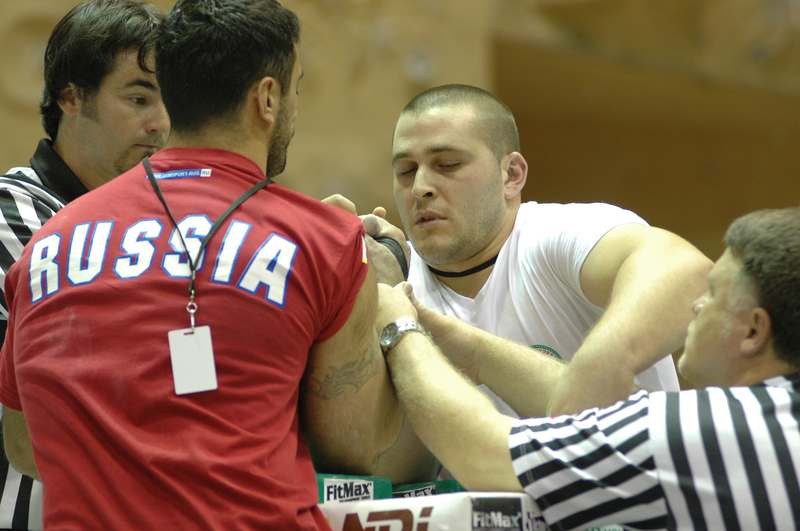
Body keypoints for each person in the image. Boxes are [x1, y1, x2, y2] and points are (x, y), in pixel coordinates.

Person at [0, 1, 432, 529]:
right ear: (268, 98)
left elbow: (28, 443)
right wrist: (387, 311)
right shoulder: (319, 240)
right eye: (295, 87)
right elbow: (363, 448)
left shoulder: (48, 244)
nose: (155, 120)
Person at [376, 206, 800, 529]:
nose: (697, 305)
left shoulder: (708, 432)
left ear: (753, 332)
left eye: (713, 294)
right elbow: (616, 423)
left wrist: (400, 329)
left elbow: (489, 456)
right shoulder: (766, 421)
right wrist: (469, 348)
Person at [384, 83, 712, 415]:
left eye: (448, 164)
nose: (421, 187)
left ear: (511, 174)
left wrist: (589, 374)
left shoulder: (555, 234)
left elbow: (685, 272)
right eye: (406, 171)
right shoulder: (391, 275)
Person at [0, 1, 168, 528]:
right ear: (70, 96)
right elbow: (116, 353)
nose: (160, 124)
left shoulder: (162, 226)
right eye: (138, 97)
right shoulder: (15, 209)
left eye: (169, 101)